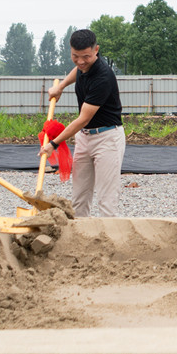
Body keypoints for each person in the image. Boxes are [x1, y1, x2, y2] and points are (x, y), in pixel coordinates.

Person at [46, 28, 125, 217]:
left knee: (106, 200)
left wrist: (54, 144)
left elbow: (83, 119)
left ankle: (109, 234)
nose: (80, 61)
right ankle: (80, 233)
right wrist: (61, 87)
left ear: (96, 50)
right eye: (75, 56)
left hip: (107, 139)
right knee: (79, 198)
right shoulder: (82, 67)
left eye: (86, 57)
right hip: (84, 138)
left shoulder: (103, 77)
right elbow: (78, 71)